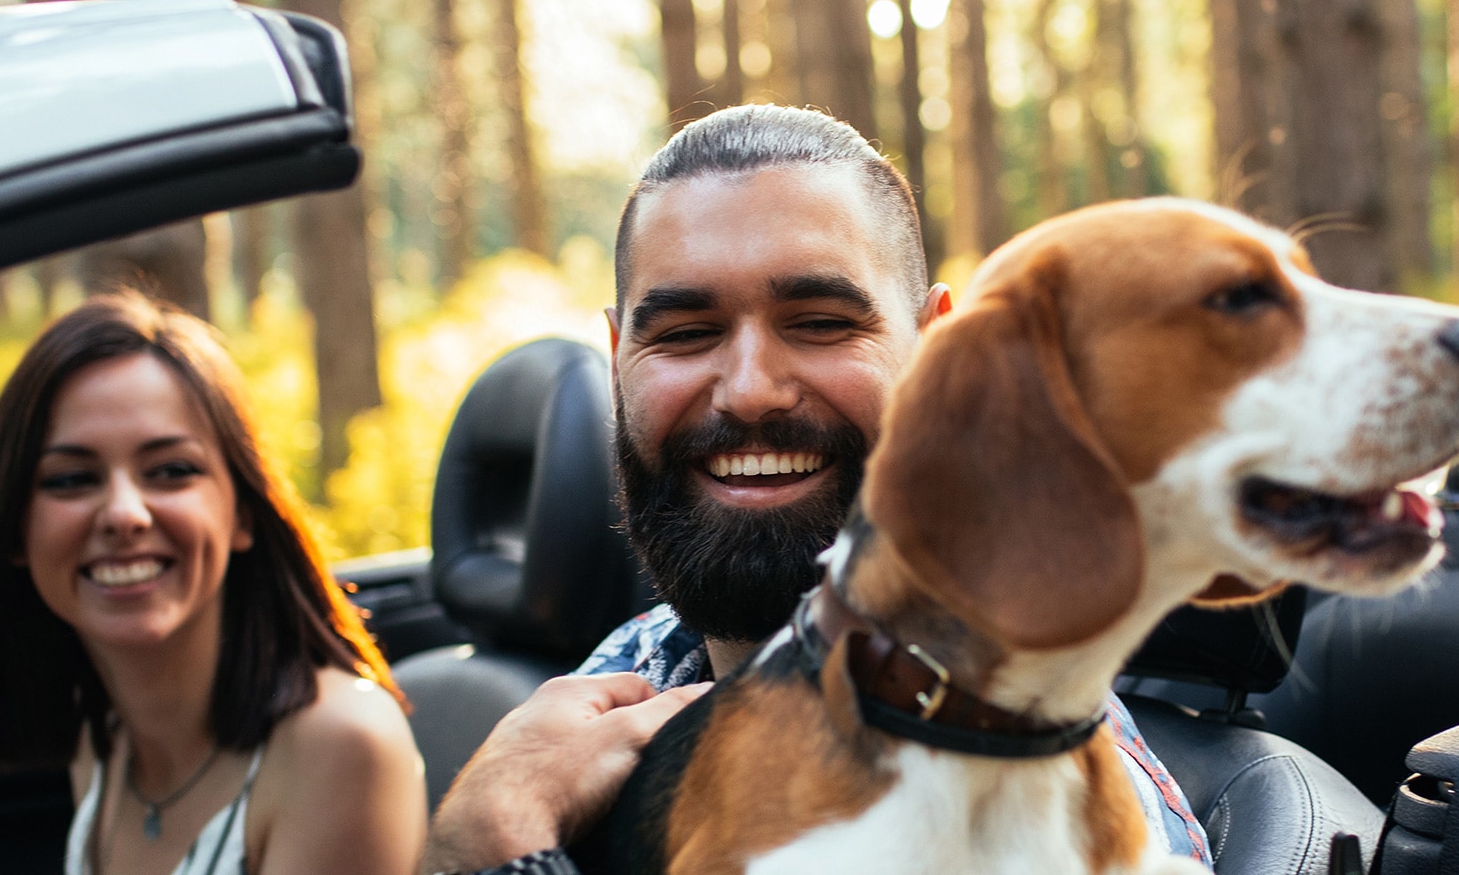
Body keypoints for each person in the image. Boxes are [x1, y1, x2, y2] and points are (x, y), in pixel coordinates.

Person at [421, 105, 1212, 873]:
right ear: (620, 356)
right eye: (687, 334)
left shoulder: (1041, 788)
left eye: (822, 322)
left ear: (934, 347)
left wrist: (493, 847)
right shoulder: (632, 669)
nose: (749, 390)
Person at [0, 292, 428, 875]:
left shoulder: (341, 747)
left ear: (242, 512)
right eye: (71, 479)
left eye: (171, 471)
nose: (125, 514)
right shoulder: (103, 739)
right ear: (14, 531)